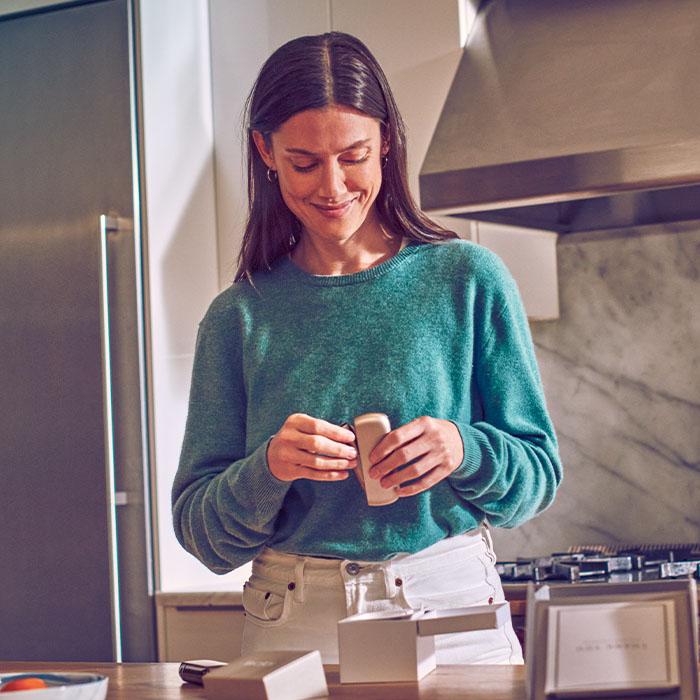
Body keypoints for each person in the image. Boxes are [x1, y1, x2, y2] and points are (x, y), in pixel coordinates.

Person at [172, 31, 562, 665]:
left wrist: (463, 447)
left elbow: (538, 476)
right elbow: (203, 534)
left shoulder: (467, 278)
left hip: (451, 608)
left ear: (386, 141)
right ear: (264, 152)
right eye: (304, 162)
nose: (332, 186)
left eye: (353, 155)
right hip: (293, 629)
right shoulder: (236, 317)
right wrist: (269, 467)